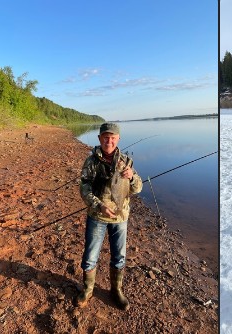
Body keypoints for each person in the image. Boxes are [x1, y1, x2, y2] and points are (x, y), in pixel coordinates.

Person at [76, 122, 143, 310]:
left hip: (120, 218)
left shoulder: (127, 162)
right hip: (97, 216)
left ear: (118, 139)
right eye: (106, 137)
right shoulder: (91, 161)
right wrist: (99, 206)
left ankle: (116, 290)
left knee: (119, 256)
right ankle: (88, 290)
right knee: (90, 256)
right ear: (99, 139)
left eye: (113, 138)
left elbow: (138, 188)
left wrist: (131, 177)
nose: (109, 141)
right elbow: (84, 188)